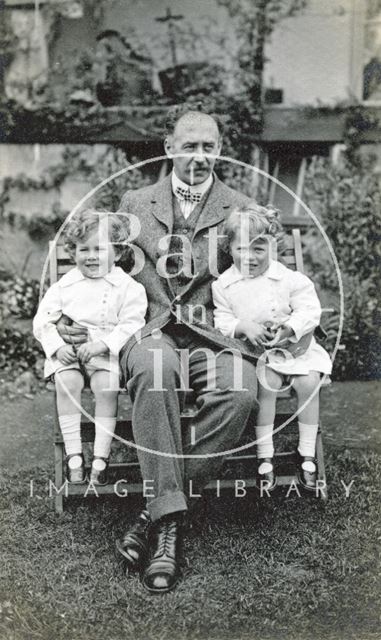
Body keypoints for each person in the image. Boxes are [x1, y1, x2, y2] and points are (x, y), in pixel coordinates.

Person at [56, 107, 259, 594]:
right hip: (149, 330)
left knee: (243, 394)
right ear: (169, 147)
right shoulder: (135, 200)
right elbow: (107, 266)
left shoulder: (239, 208)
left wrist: (265, 317)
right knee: (154, 365)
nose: (200, 156)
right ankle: (169, 531)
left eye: (209, 146)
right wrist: (81, 317)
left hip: (214, 335)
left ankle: (154, 510)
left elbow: (258, 278)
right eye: (190, 145)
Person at [212, 203, 332, 492]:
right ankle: (264, 455)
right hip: (260, 355)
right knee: (267, 385)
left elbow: (310, 311)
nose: (250, 257)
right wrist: (243, 326)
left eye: (259, 249)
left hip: (297, 349)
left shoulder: (290, 279)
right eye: (242, 249)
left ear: (272, 246)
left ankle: (306, 452)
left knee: (308, 382)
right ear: (229, 248)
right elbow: (222, 320)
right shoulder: (224, 285)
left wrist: (290, 328)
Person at [33, 209, 147, 485]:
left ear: (117, 253)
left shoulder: (127, 287)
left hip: (103, 353)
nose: (92, 256)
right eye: (84, 250)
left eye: (100, 249)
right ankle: (74, 455)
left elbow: (132, 323)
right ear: (73, 253)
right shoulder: (66, 284)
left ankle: (100, 457)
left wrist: (101, 345)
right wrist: (58, 347)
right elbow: (42, 320)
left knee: (106, 386)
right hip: (68, 352)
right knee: (67, 382)